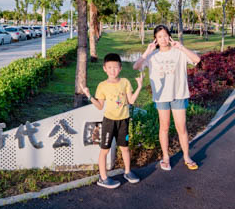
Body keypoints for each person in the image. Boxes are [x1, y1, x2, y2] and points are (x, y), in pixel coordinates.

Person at [134, 25, 200, 171]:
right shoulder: (152, 55)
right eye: (159, 37)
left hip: (179, 94)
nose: (163, 39)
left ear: (169, 37)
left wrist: (181, 47)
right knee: (164, 127)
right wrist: (147, 51)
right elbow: (136, 66)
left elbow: (197, 59)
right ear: (155, 39)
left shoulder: (178, 52)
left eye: (165, 36)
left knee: (181, 127)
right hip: (161, 97)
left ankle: (187, 156)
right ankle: (165, 156)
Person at [82, 53, 144, 189]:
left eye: (115, 67)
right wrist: (89, 95)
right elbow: (99, 106)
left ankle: (127, 172)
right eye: (109, 67)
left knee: (125, 148)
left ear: (120, 68)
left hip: (124, 121)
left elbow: (131, 101)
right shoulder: (102, 86)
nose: (112, 70)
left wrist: (139, 86)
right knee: (105, 150)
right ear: (104, 68)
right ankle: (103, 177)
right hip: (109, 122)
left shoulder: (125, 82)